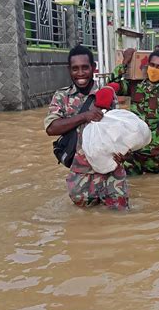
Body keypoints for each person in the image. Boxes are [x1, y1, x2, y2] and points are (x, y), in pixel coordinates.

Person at [44, 45, 129, 210]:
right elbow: (51, 128)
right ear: (69, 70)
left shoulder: (106, 95)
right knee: (83, 223)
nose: (80, 73)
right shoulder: (62, 97)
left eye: (85, 67)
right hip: (80, 174)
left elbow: (117, 130)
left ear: (94, 68)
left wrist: (125, 153)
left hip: (111, 172)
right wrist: (84, 116)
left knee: (120, 219)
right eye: (75, 69)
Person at [109, 48, 159, 174]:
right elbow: (112, 84)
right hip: (134, 148)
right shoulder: (135, 86)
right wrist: (124, 62)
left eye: (158, 67)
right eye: (152, 65)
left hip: (157, 150)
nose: (154, 69)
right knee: (133, 184)